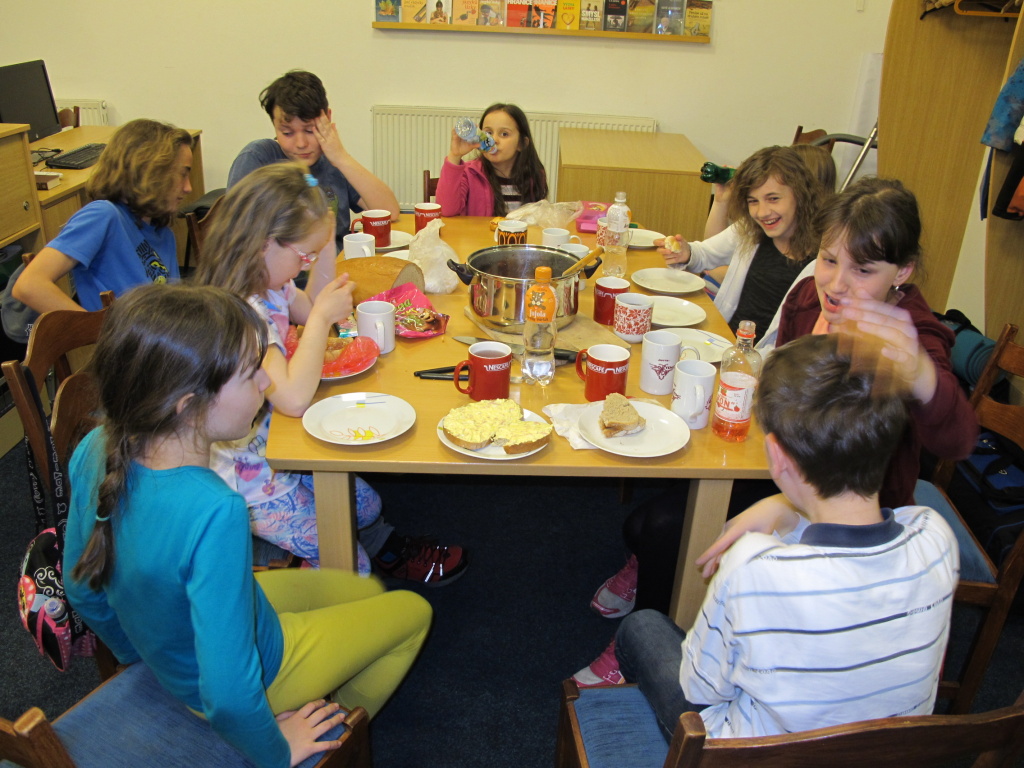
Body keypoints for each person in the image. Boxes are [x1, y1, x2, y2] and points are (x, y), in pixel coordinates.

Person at [64, 283, 432, 768]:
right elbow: (229, 692)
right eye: (249, 373)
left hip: (203, 646)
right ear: (188, 404)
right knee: (413, 611)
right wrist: (275, 751)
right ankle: (335, 732)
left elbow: (81, 588)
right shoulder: (215, 510)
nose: (265, 381)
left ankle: (311, 700)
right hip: (250, 677)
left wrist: (142, 658)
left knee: (360, 590)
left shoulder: (94, 447)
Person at [580, 333, 959, 741]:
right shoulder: (936, 534)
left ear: (776, 457)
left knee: (642, 627)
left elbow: (700, 687)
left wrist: (777, 514)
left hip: (747, 752)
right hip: (886, 749)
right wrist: (785, 509)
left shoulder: (753, 566)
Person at [195, 163, 467, 585]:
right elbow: (292, 398)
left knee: (367, 507)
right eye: (302, 255)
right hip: (248, 475)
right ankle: (306, 591)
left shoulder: (270, 283)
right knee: (352, 570)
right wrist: (323, 318)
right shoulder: (244, 312)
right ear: (263, 244)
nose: (305, 264)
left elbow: (306, 306)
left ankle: (377, 547)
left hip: (273, 440)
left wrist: (323, 249)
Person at [12, 119, 192, 313]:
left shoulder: (163, 233)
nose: (188, 188)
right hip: (117, 332)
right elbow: (29, 285)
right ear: (150, 171)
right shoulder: (103, 216)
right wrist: (91, 327)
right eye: (182, 174)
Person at [657, 145, 822, 350]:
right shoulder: (750, 231)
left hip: (770, 359)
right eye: (753, 201)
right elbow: (705, 253)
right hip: (724, 340)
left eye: (773, 199)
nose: (762, 212)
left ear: (800, 194)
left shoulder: (822, 258)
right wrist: (686, 252)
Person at [227, 70, 400, 252]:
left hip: (335, 263)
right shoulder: (259, 157)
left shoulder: (333, 161)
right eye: (287, 133)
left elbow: (390, 212)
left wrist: (341, 157)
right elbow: (237, 235)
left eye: (310, 130)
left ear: (327, 118)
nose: (301, 144)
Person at [436, 103, 548, 217]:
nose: (493, 140)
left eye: (504, 134)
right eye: (488, 133)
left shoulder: (534, 175)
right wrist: (455, 155)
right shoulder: (469, 173)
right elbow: (446, 210)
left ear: (522, 143)